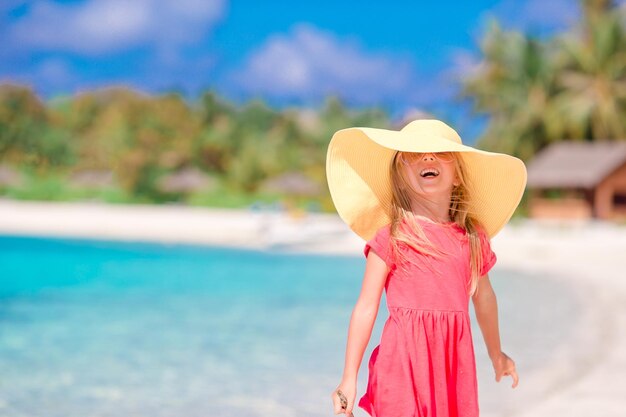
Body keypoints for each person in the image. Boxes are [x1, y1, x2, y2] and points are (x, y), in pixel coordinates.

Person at [325, 119, 527, 417]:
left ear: (458, 175)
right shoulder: (392, 236)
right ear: (401, 175)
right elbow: (366, 308)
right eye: (414, 154)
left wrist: (496, 354)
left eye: (440, 153)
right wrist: (349, 377)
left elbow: (484, 299)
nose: (428, 158)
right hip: (401, 364)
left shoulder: (472, 238)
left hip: (452, 366)